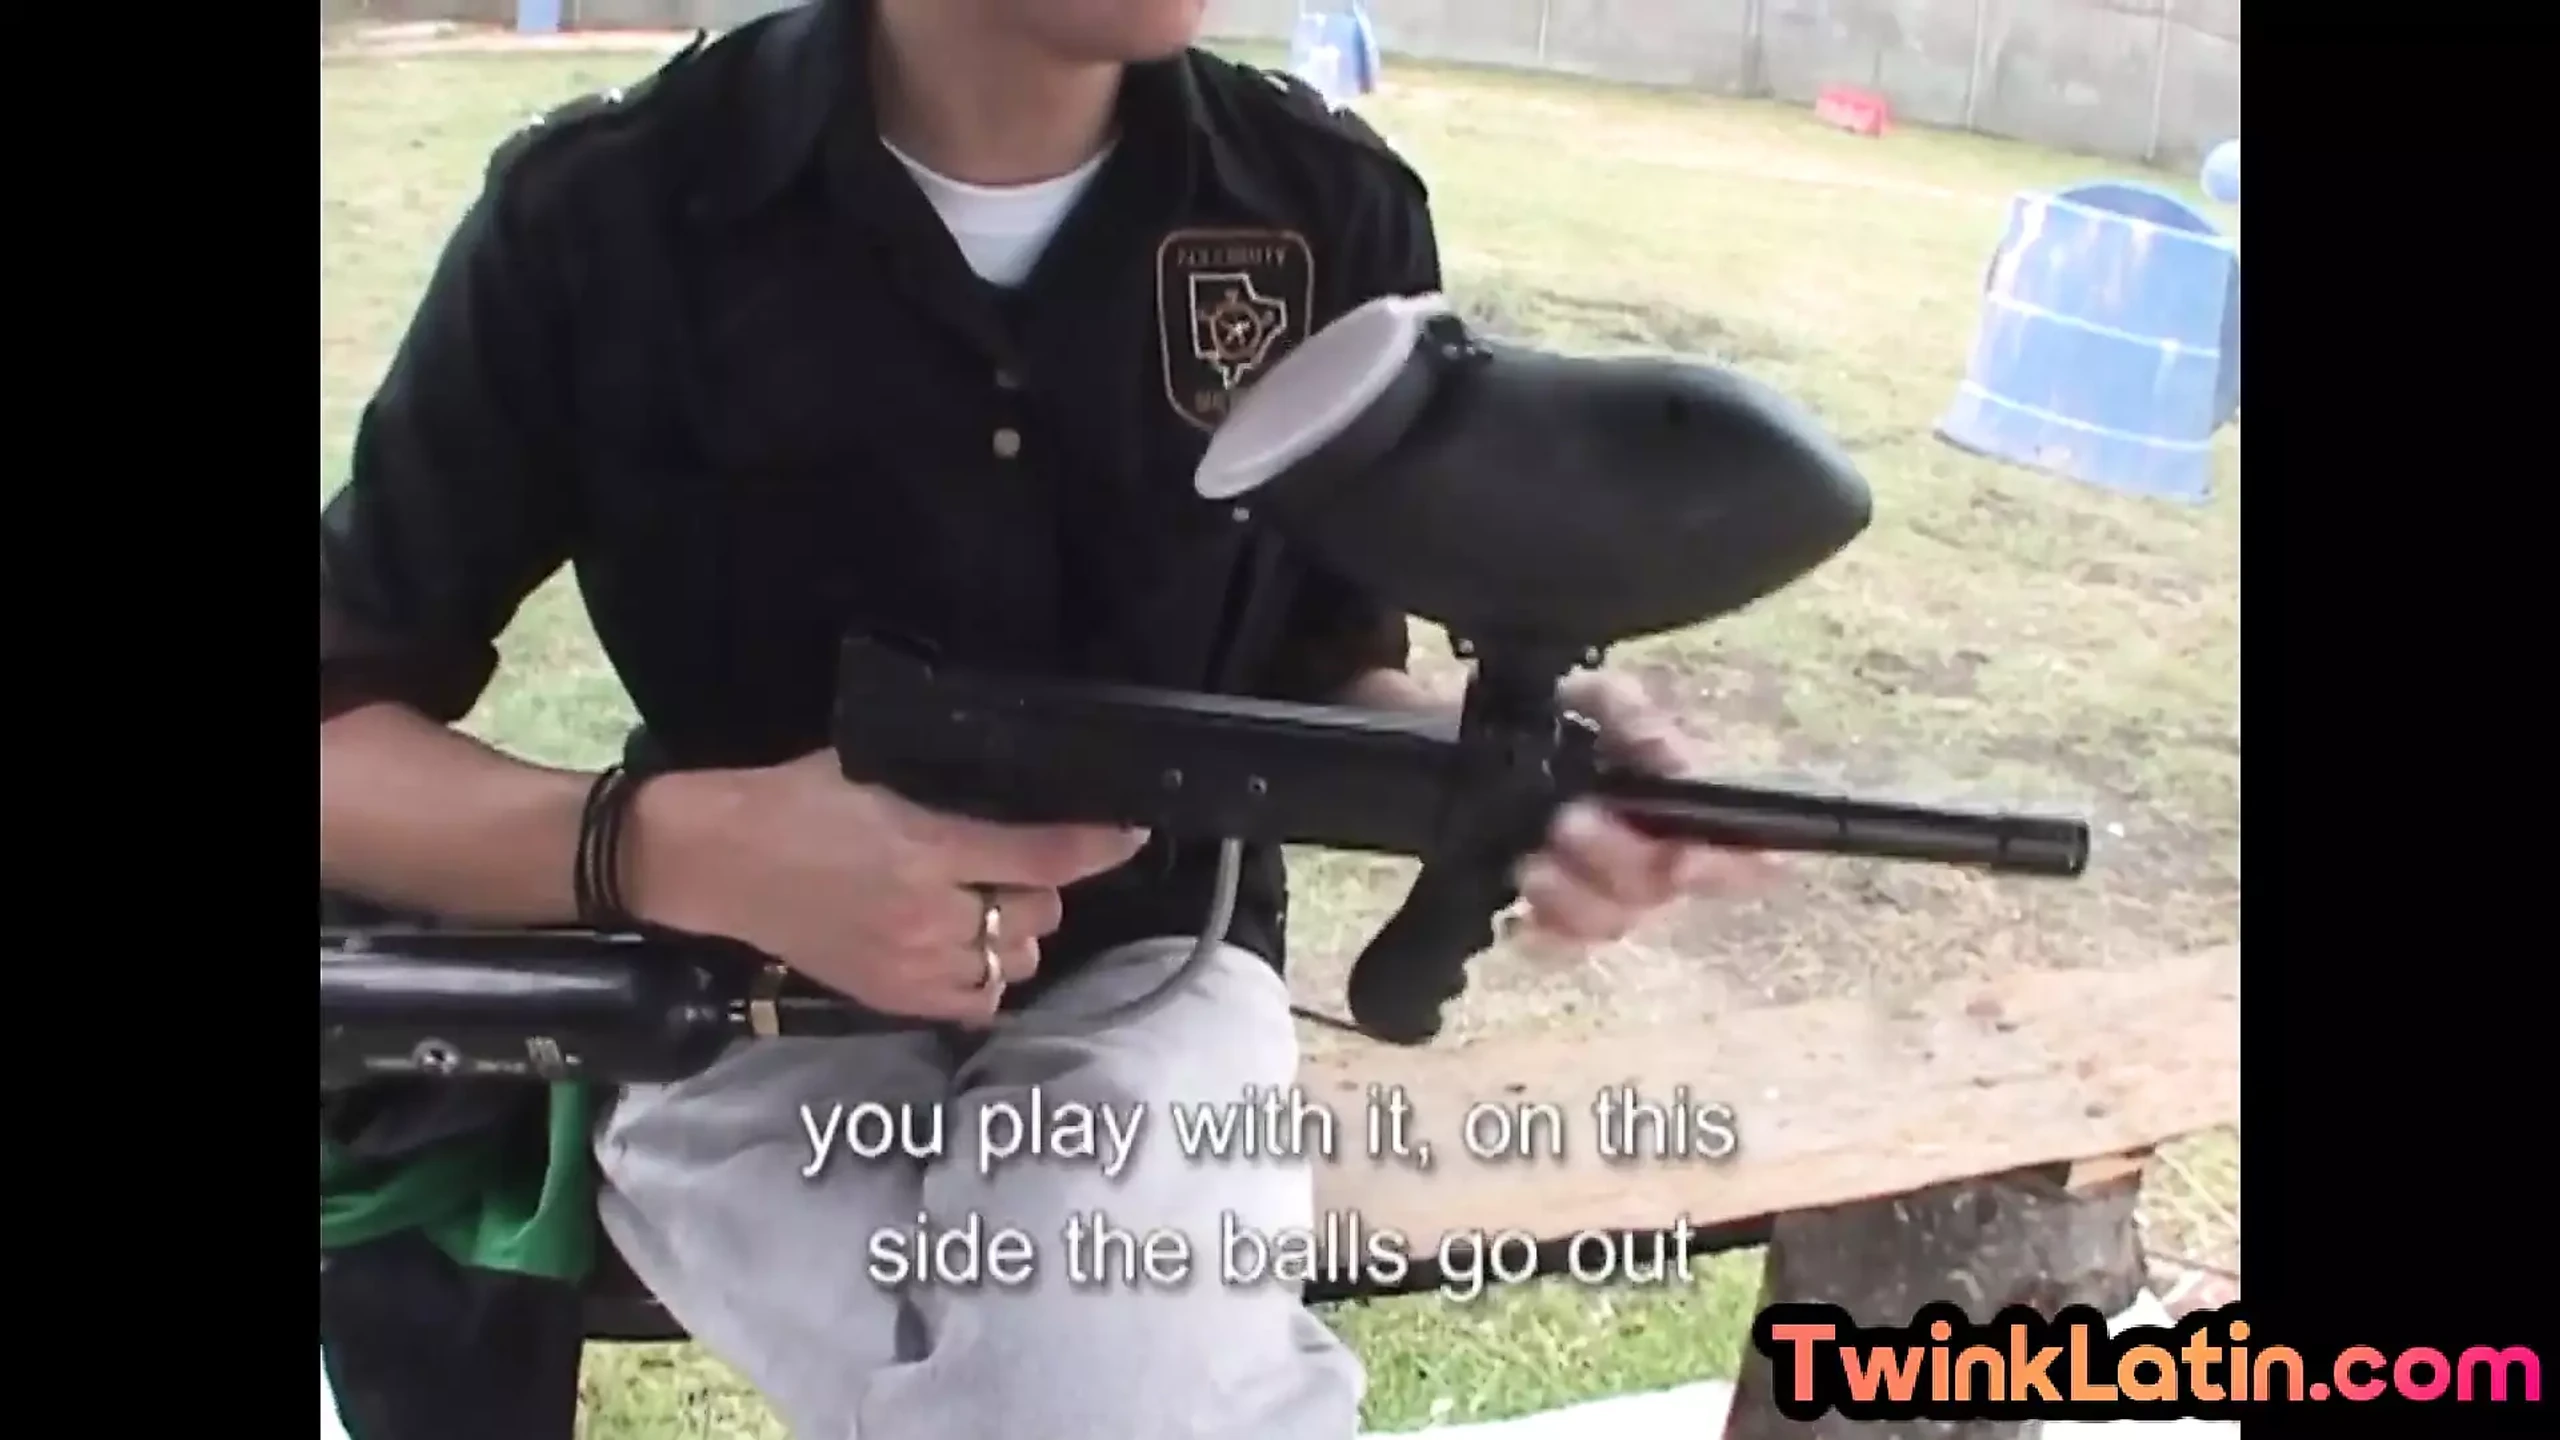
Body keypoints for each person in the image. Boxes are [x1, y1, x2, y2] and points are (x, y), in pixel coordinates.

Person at [317, 1, 1771, 1436]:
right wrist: (672, 850)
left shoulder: (1321, 209)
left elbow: (1319, 662)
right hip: (741, 1008)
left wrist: (1517, 764)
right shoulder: (608, 217)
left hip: (1153, 977)